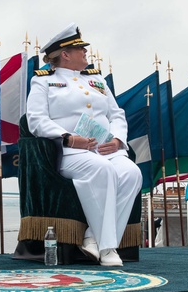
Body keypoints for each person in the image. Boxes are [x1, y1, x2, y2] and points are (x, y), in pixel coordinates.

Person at [26, 24, 142, 267]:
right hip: (71, 152)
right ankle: (109, 248)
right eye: (80, 49)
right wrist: (68, 137)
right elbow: (35, 121)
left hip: (106, 149)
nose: (85, 53)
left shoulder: (96, 79)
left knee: (132, 173)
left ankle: (93, 238)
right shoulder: (44, 82)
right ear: (65, 54)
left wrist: (118, 140)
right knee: (102, 170)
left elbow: (117, 114)